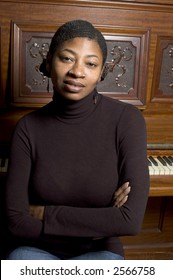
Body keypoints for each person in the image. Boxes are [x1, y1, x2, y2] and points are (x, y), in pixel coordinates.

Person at [5, 19, 149, 260]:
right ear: (49, 62)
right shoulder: (27, 127)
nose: (78, 72)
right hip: (36, 249)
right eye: (67, 58)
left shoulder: (128, 120)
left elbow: (129, 221)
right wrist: (101, 221)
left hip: (100, 251)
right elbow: (15, 221)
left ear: (102, 72)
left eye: (91, 64)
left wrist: (42, 213)